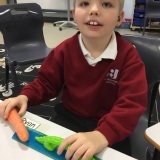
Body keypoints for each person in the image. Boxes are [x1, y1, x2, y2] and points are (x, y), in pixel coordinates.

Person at [0, 0, 147, 159]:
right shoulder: (64, 50)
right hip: (69, 117)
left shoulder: (129, 57)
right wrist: (25, 96)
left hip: (110, 125)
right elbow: (46, 83)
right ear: (74, 14)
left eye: (106, 4)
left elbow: (132, 104)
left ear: (119, 17)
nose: (94, 10)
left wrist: (102, 134)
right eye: (84, 3)